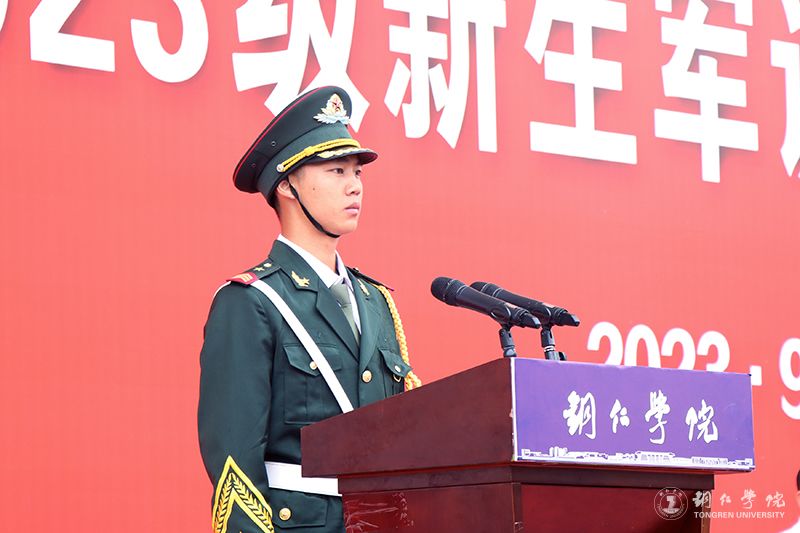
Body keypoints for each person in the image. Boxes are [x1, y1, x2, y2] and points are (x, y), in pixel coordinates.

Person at [198, 86, 421, 533]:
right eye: (337, 170)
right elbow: (234, 467)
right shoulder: (251, 302)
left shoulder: (377, 301)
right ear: (287, 185)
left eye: (357, 172)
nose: (354, 185)